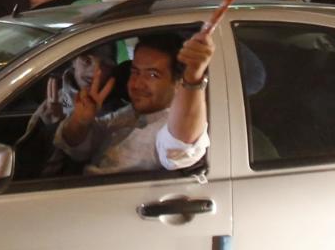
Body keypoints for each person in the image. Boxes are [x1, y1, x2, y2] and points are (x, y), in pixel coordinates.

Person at [54, 27, 216, 175]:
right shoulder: (130, 114)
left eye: (153, 75)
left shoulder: (168, 127)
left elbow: (180, 148)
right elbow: (77, 147)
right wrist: (80, 120)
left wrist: (193, 78)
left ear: (177, 83)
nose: (137, 84)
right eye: (135, 72)